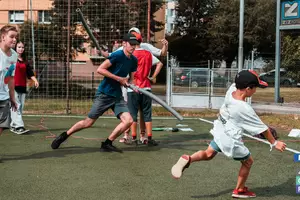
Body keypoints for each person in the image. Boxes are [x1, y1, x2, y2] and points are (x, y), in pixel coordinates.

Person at [171, 70, 287, 199]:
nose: (255, 91)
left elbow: (238, 80)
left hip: (221, 130)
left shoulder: (231, 90)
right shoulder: (244, 108)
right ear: (248, 88)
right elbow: (264, 129)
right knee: (248, 161)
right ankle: (239, 190)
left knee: (208, 154)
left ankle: (189, 158)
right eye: (255, 88)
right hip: (230, 140)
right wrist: (275, 143)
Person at [51, 33, 139, 152]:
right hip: (104, 94)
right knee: (88, 123)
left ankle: (107, 143)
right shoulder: (117, 55)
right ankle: (65, 135)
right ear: (124, 43)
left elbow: (131, 79)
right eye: (131, 44)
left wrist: (134, 86)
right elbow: (100, 69)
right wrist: (119, 79)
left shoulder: (133, 60)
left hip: (117, 96)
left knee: (128, 120)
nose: (133, 47)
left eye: (135, 44)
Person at [122, 32, 163, 145]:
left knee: (133, 114)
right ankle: (148, 138)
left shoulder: (130, 54)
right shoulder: (148, 54)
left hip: (133, 88)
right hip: (146, 87)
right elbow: (160, 63)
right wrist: (153, 77)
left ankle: (134, 138)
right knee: (146, 114)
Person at [10, 41, 39, 134]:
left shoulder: (25, 61)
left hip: (22, 86)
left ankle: (13, 125)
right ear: (15, 48)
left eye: (22, 47)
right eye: (19, 47)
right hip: (12, 85)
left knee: (20, 107)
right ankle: (19, 126)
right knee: (16, 105)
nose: (21, 49)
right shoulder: (10, 58)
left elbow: (30, 73)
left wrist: (35, 80)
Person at [0, 25, 18, 135]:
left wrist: (12, 98)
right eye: (12, 36)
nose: (15, 39)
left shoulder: (14, 55)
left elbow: (10, 77)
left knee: (2, 125)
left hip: (4, 97)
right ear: (3, 37)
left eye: (16, 37)